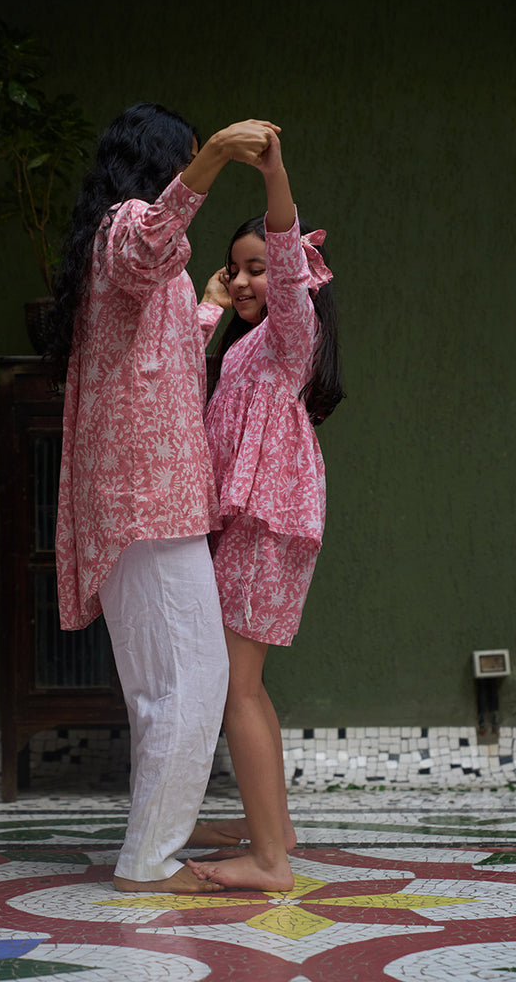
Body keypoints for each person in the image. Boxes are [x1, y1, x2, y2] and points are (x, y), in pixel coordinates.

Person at [48, 102, 282, 894]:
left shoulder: (121, 246)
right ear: (161, 164)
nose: (193, 172)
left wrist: (209, 303)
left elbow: (167, 350)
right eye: (182, 159)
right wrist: (214, 155)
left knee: (163, 687)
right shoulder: (129, 226)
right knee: (193, 681)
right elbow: (152, 242)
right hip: (146, 495)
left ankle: (152, 843)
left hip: (143, 495)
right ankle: (149, 859)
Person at [187, 129, 344, 891]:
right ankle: (272, 826)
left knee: (233, 685)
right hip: (256, 519)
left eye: (258, 270)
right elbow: (174, 378)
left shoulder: (289, 334)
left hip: (267, 518)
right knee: (244, 681)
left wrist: (276, 173)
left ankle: (270, 862)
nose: (248, 281)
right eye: (236, 269)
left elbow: (285, 258)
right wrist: (209, 305)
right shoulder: (243, 348)